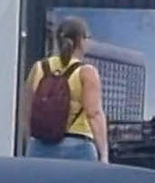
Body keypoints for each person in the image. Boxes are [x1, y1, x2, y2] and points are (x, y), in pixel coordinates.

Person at [19, 17, 109, 162]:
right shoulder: (86, 72)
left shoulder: (39, 68)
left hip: (39, 145)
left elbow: (26, 110)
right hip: (78, 146)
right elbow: (94, 114)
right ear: (81, 40)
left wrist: (30, 141)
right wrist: (104, 153)